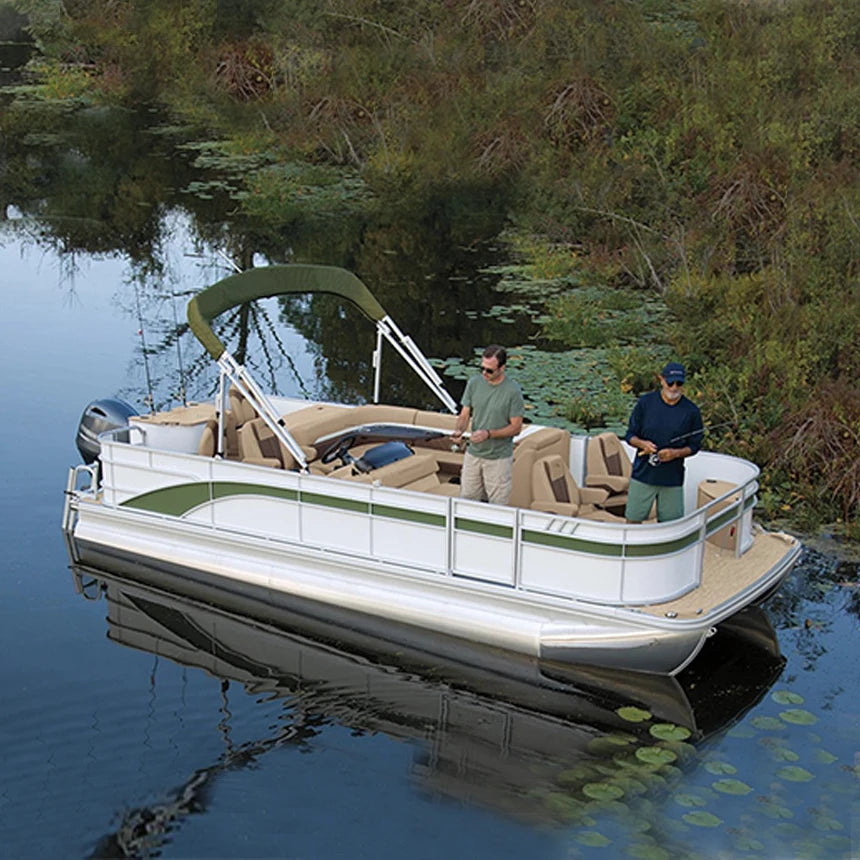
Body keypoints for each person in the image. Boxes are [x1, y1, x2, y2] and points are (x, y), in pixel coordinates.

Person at [624, 361, 703, 523]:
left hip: (672, 478)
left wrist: (675, 454)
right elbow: (630, 435)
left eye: (679, 383)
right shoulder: (645, 403)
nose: (674, 388)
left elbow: (695, 445)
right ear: (661, 380)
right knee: (633, 520)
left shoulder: (692, 411)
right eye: (670, 382)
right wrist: (642, 444)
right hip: (643, 474)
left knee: (671, 523)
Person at [452, 345, 524, 505]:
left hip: (498, 459)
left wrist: (489, 434)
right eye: (482, 368)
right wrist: (459, 430)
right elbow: (465, 414)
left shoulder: (513, 392)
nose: (484, 373)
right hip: (473, 454)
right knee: (466, 501)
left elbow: (516, 428)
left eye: (489, 370)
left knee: (498, 504)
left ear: (502, 368)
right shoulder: (474, 383)